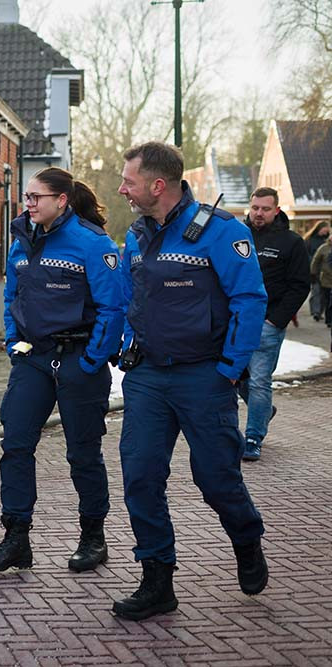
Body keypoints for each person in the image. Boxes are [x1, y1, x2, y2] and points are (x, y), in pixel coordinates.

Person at [113, 142, 269, 621]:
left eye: (129, 181)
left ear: (157, 185)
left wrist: (229, 368)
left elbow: (250, 299)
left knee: (216, 478)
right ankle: (157, 579)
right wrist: (124, 348)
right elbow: (124, 300)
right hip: (148, 378)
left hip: (204, 377)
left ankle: (246, 538)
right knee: (139, 476)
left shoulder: (222, 232)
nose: (122, 188)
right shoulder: (135, 236)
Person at [0, 167, 126, 575]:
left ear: (61, 200)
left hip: (80, 360)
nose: (29, 203)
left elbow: (114, 307)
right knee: (16, 444)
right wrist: (15, 345)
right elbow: (12, 297)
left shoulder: (92, 243)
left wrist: (94, 359)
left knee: (82, 454)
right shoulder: (21, 239)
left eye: (36, 197)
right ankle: (16, 538)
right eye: (26, 196)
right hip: (34, 360)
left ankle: (93, 537)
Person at [236, 188, 310, 461]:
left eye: (265, 209)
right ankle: (261, 413)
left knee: (258, 382)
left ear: (276, 210)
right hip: (233, 322)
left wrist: (276, 320)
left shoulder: (291, 242)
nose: (258, 213)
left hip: (267, 323)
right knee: (231, 378)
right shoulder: (236, 236)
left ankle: (253, 437)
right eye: (255, 207)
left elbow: (300, 285)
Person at [303, 220, 331, 321]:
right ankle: (316, 312)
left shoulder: (327, 241)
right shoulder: (309, 240)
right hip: (313, 269)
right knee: (316, 291)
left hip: (325, 272)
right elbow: (306, 254)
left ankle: (320, 311)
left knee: (324, 293)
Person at [311, 232, 332, 350]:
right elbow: (316, 260)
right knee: (327, 300)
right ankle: (328, 319)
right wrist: (313, 273)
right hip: (326, 279)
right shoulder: (324, 248)